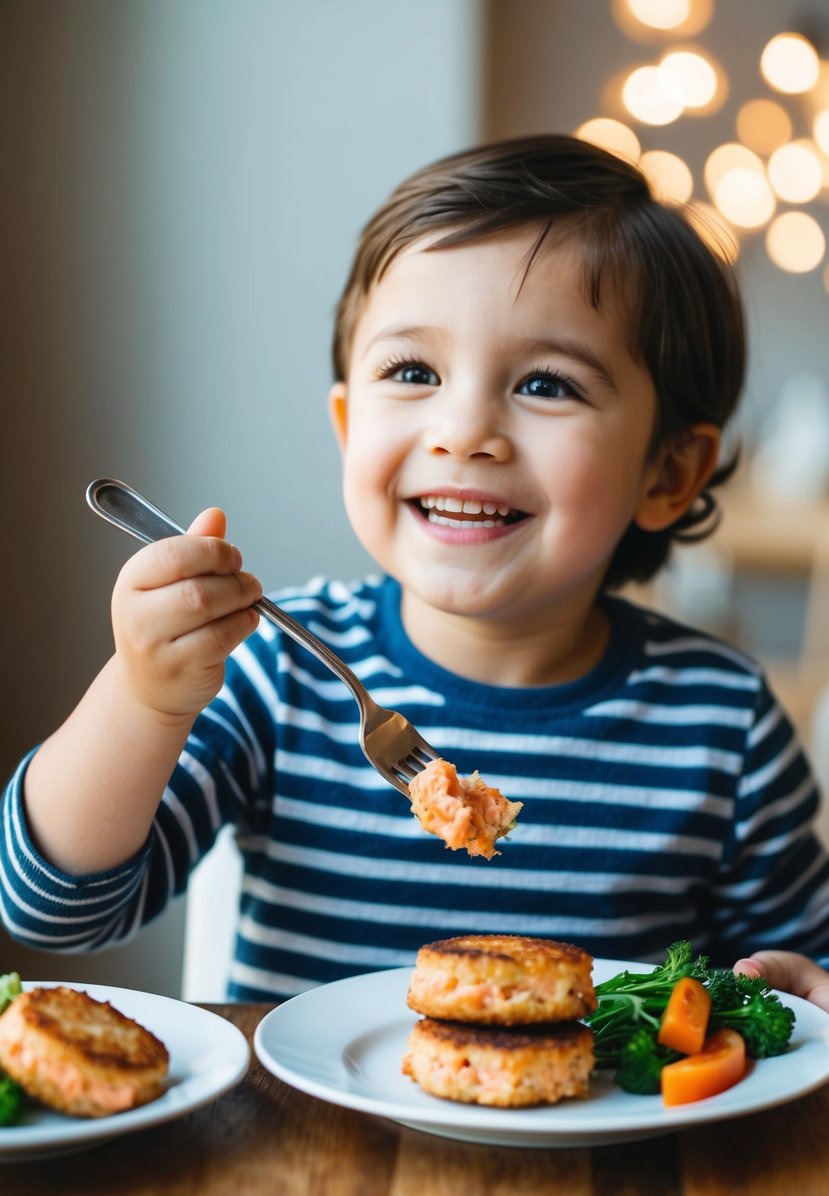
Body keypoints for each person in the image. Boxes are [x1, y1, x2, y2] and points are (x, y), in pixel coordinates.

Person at [2, 134, 829, 1010]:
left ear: (666, 473)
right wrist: (142, 699)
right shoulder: (275, 669)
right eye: (412, 372)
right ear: (348, 422)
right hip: (298, 1149)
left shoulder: (722, 724)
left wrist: (792, 991)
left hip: (597, 1151)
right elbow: (54, 914)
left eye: (546, 385)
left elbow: (800, 971)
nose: (462, 429)